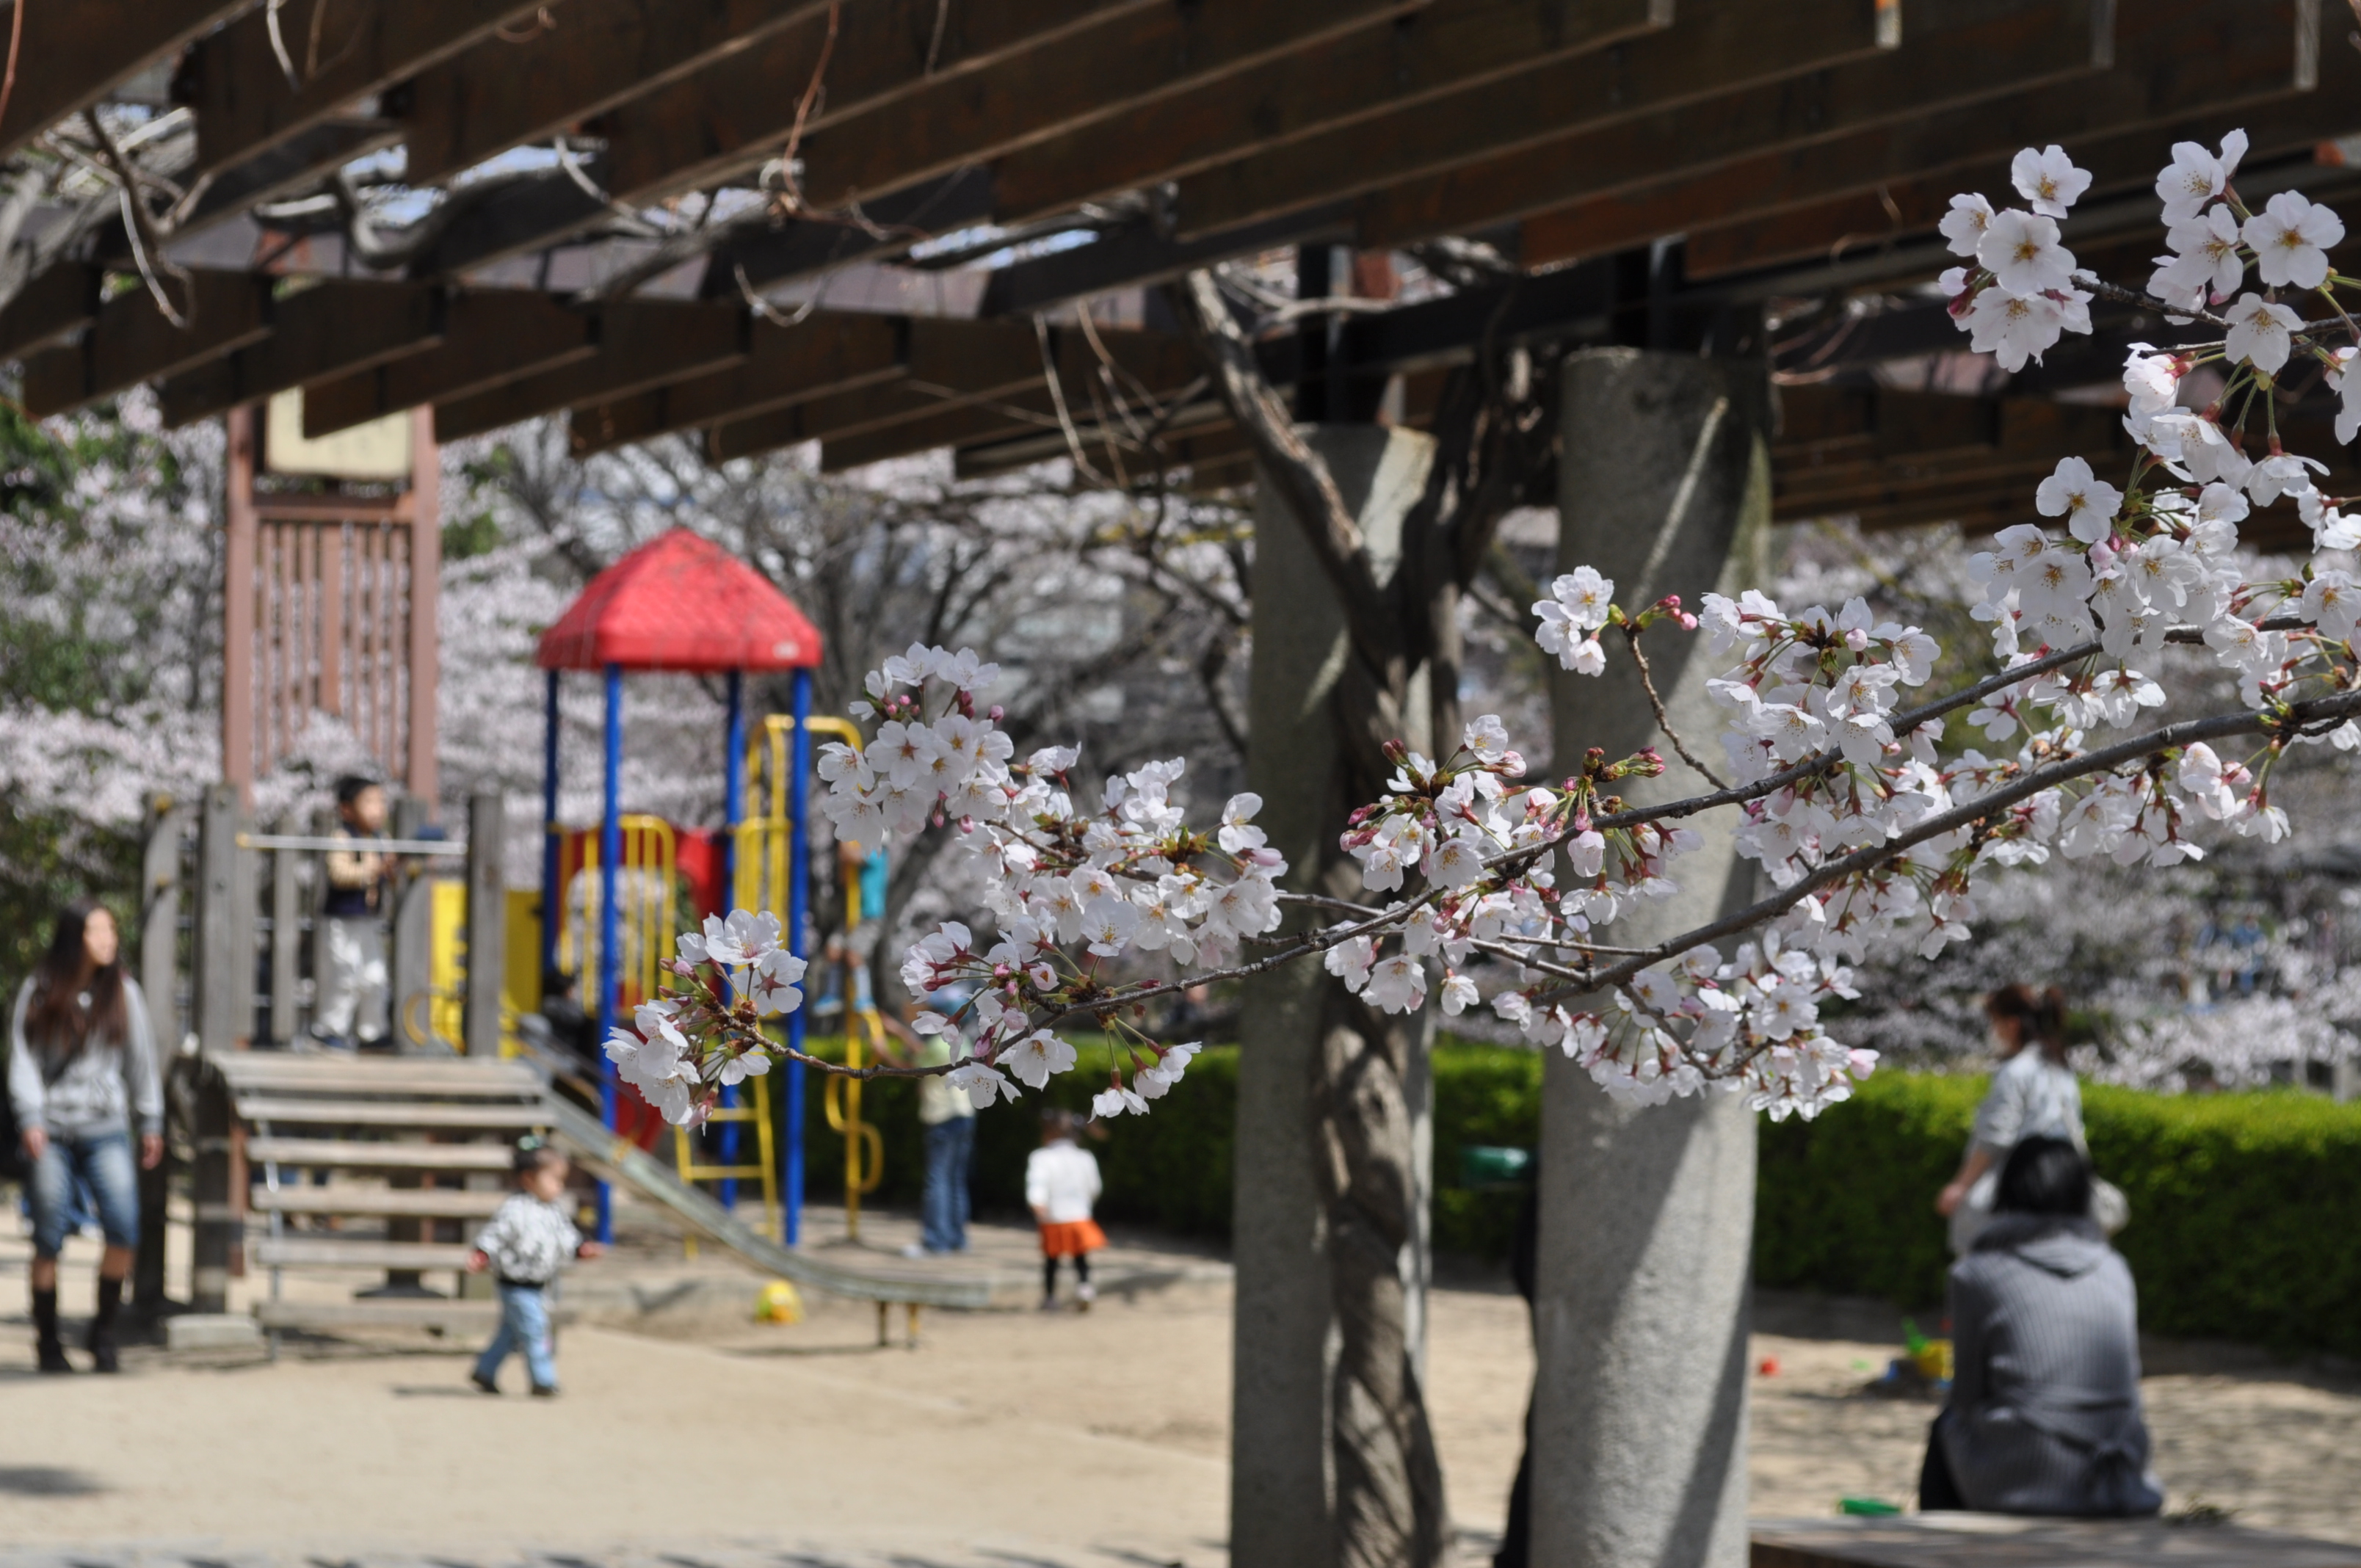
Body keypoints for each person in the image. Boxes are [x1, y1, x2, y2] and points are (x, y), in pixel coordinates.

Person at [1919, 1136, 2163, 1517]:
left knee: (1945, 1428)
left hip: (2023, 1477)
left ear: (2006, 1189)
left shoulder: (1976, 1273)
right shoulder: (2114, 1268)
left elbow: (1965, 1395)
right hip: (2119, 1476)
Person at [9, 901, 164, 1373]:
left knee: (123, 1226)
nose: (107, 939)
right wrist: (30, 1116)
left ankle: (104, 1332)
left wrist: (150, 1119)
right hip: (51, 1128)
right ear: (74, 936)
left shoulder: (124, 992)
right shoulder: (40, 989)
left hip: (106, 1125)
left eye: (111, 930)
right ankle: (49, 1341)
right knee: (49, 1233)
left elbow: (142, 1059)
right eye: (97, 930)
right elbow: (23, 1057)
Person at [1937, 984, 2083, 1255]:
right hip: (2061, 1189)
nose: (1995, 1031)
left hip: (2015, 1193)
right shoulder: (2060, 1068)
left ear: (2013, 1024)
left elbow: (1996, 1135)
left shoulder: (2016, 1072)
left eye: (1996, 1022)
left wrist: (1960, 1185)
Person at [467, 1138, 604, 1395]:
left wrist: (581, 1248)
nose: (559, 1186)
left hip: (540, 1284)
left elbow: (567, 1235)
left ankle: (485, 1369)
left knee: (510, 1333)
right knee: (536, 1330)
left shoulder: (554, 1210)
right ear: (529, 1179)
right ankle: (543, 1379)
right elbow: (495, 1235)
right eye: (554, 1180)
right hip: (515, 1285)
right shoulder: (514, 1210)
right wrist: (482, 1254)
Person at [893, 992, 976, 1258]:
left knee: (937, 1180)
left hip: (942, 1118)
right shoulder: (965, 1042)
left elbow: (909, 1069)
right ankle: (957, 1239)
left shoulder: (938, 1046)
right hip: (965, 1115)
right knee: (955, 1180)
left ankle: (935, 1241)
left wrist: (887, 1044)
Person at [316, 775, 391, 1051]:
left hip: (369, 920)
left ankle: (372, 1032)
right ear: (347, 809)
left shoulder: (382, 839)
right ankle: (329, 1029)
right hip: (341, 920)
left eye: (381, 802)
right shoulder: (343, 838)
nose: (378, 809)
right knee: (344, 975)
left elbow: (388, 875)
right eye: (369, 802)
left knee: (375, 976)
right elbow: (339, 873)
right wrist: (374, 870)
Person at [1026, 1107, 1104, 1310]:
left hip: (1054, 1216)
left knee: (1052, 1261)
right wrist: (1086, 1204)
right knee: (1081, 1257)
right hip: (1079, 1216)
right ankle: (1085, 1288)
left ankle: (1050, 1297)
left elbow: (1038, 1183)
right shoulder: (1086, 1157)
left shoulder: (1041, 1157)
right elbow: (1094, 1187)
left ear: (1049, 1132)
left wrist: (1037, 1202)